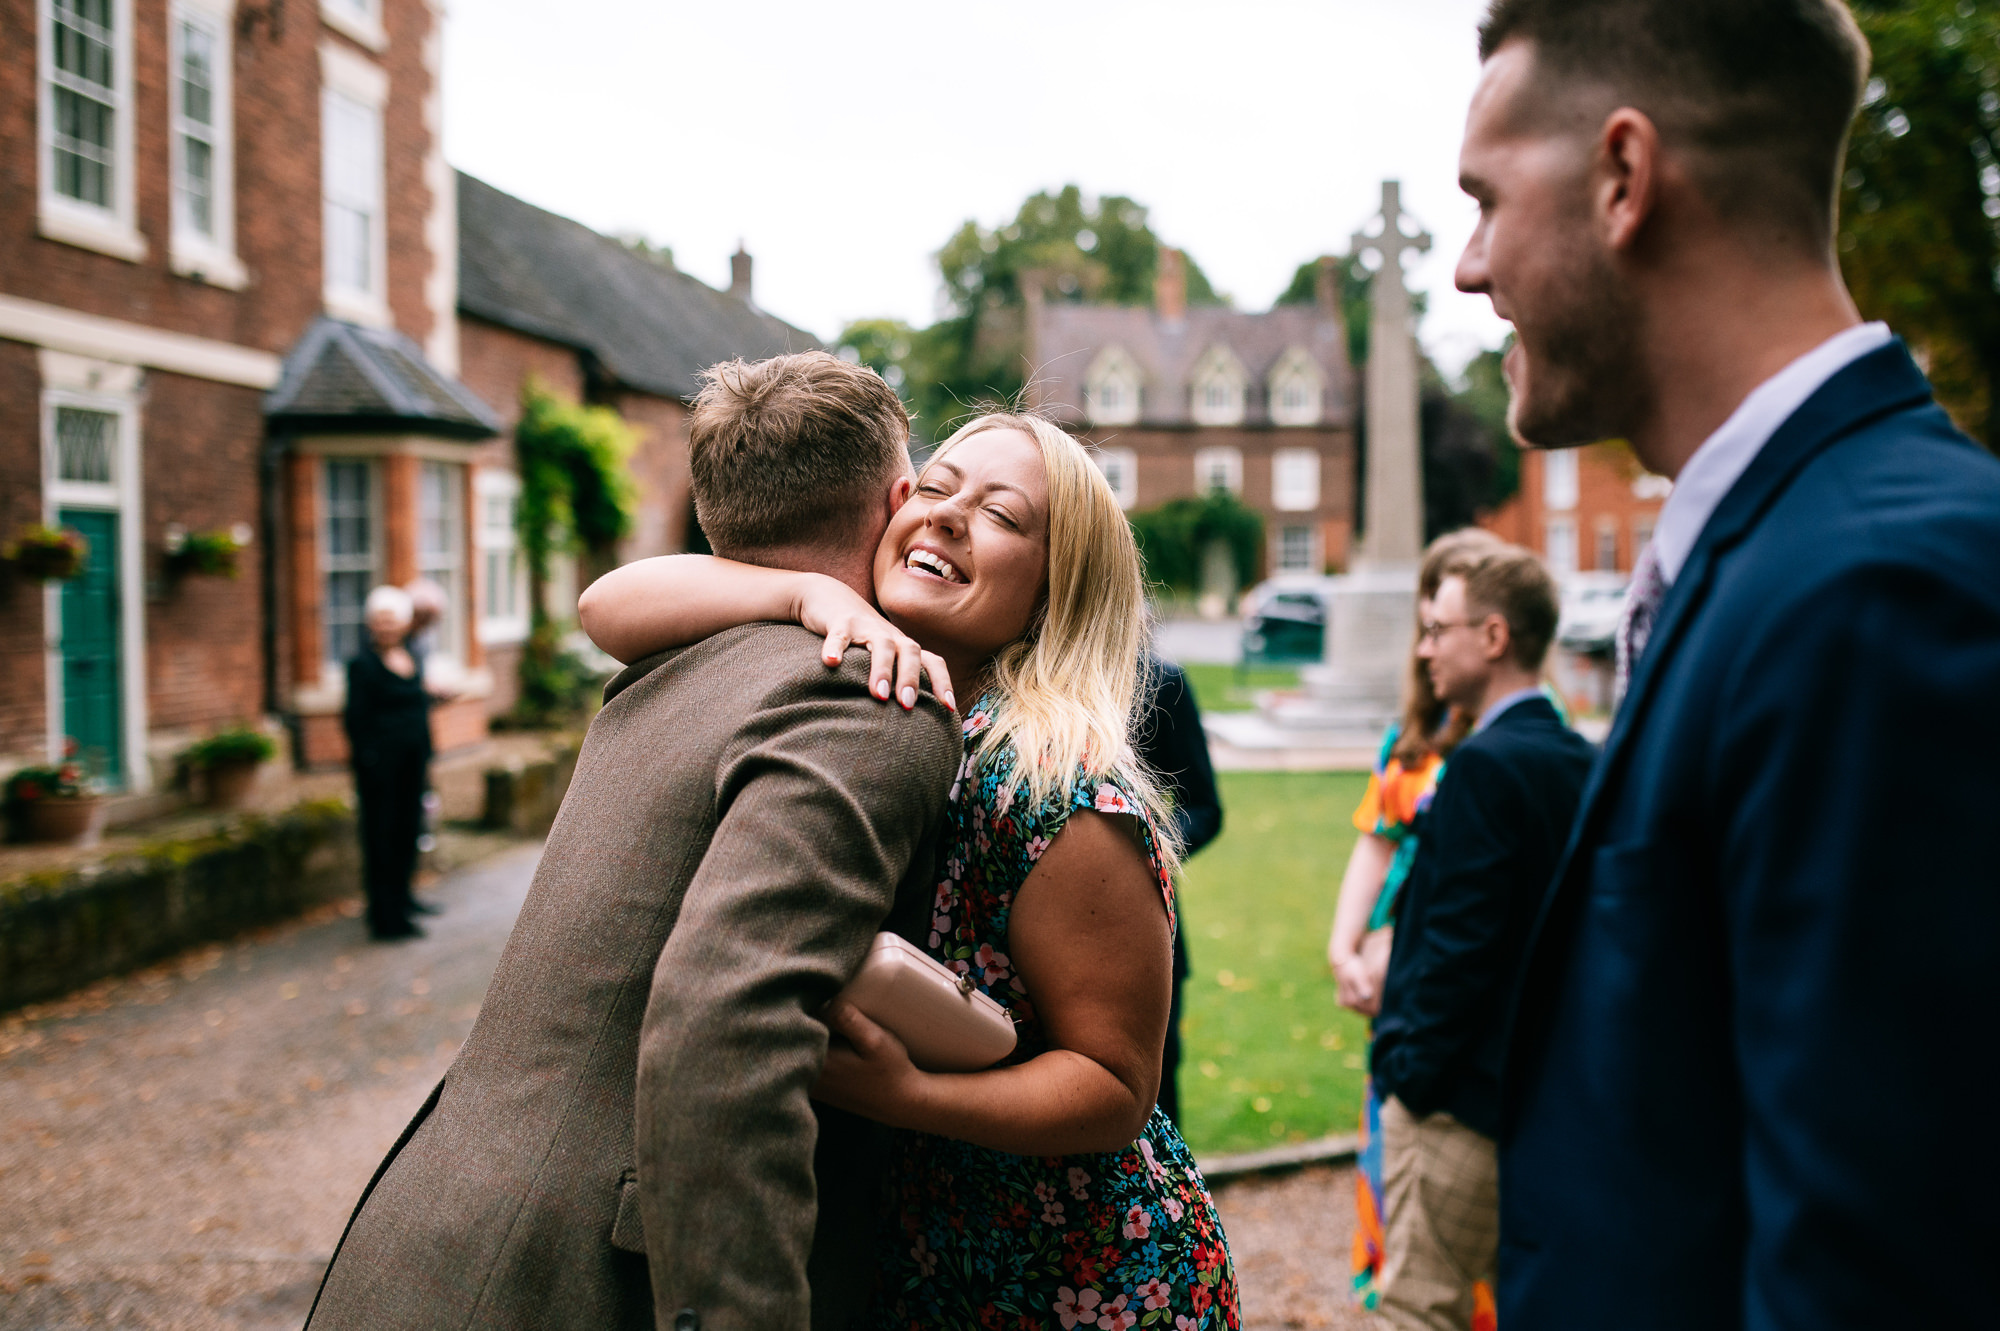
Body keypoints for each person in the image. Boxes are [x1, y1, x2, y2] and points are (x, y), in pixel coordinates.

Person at [1458, 2, 2000, 1325]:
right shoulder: (1784, 552)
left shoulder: (1880, 592)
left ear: (1624, 177)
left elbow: (1879, 1274)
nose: (1470, 267)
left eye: (1484, 200)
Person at [306, 352, 964, 1330]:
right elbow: (726, 1023)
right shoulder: (866, 700)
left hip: (425, 1232)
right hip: (573, 1283)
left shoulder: (670, 648)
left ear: (713, 519)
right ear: (898, 495)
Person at [582, 411, 1241, 1328]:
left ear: (1058, 587)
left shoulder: (1064, 795)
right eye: (934, 487)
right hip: (920, 1253)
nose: (949, 515)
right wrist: (813, 596)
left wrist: (912, 1095)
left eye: (1004, 516)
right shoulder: (872, 681)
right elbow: (608, 603)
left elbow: (1114, 1084)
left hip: (1076, 1283)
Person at [1367, 545, 1595, 1331]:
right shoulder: (1577, 758)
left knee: (1419, 1308)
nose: (1424, 647)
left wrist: (1409, 1077)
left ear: (1493, 637)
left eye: (1438, 628)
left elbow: (1457, 950)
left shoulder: (1484, 767)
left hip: (1456, 1104)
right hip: (1539, 1097)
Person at [1326, 527, 1499, 1315]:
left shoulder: (1508, 743)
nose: (1432, 639)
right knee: (1392, 1162)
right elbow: (1374, 843)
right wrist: (1346, 947)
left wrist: (1398, 949)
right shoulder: (1411, 740)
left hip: (1452, 992)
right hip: (1391, 998)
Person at [1135, 653, 1224, 1126]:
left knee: (1155, 1096)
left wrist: (1142, 852)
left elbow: (1205, 807)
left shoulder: (1159, 681)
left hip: (1147, 932)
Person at [341, 585, 433, 942]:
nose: (387, 626)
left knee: (409, 831)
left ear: (405, 623)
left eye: (392, 619)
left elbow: (412, 702)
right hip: (380, 770)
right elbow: (355, 719)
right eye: (380, 620)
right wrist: (370, 759)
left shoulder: (412, 655)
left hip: (414, 761)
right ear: (370, 624)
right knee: (382, 838)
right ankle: (385, 916)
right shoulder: (361, 665)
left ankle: (405, 898)